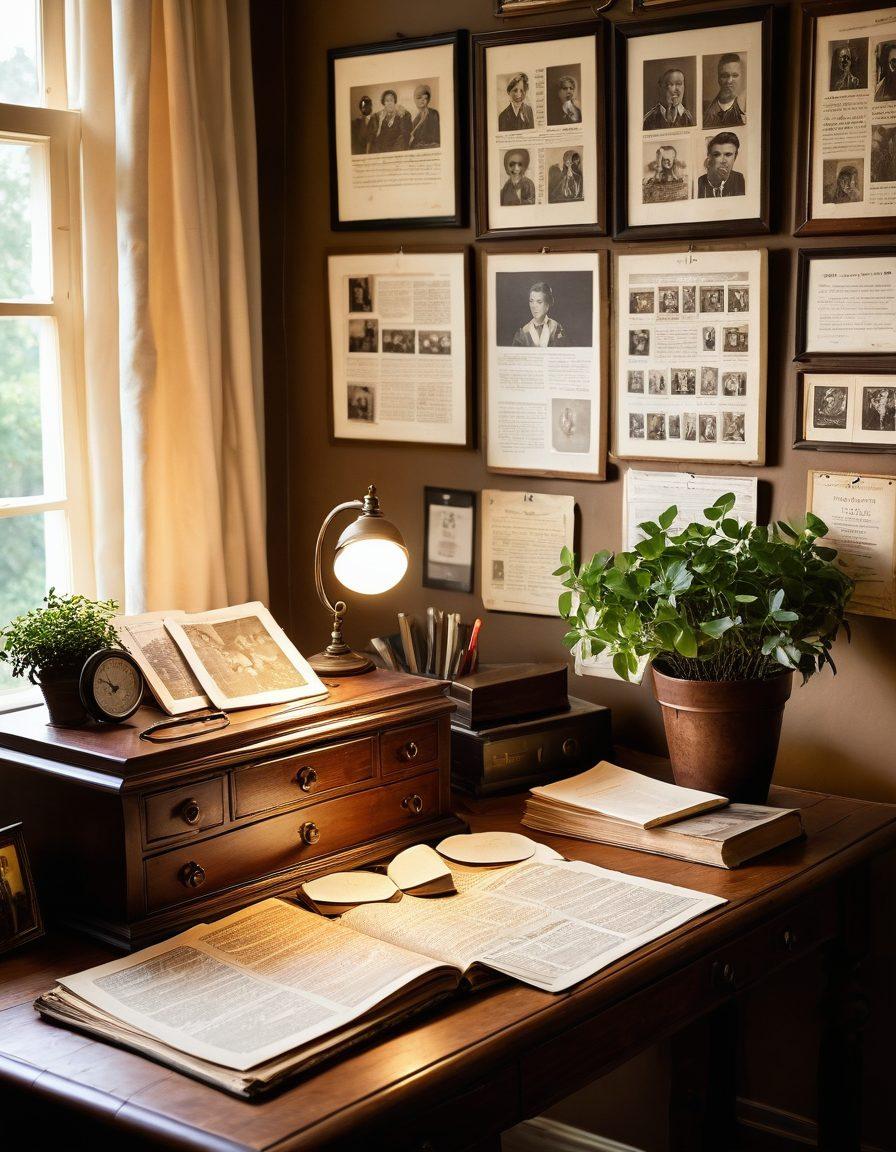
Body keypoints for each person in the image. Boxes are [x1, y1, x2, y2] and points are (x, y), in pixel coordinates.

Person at [512, 281, 567, 347]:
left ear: (547, 305)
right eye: (531, 301)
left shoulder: (556, 328)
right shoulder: (523, 332)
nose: (534, 306)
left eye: (539, 302)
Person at [703, 53, 747, 127]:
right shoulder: (705, 110)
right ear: (718, 78)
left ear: (741, 78)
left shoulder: (747, 107)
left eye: (735, 75)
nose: (729, 81)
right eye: (725, 76)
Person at [697, 131, 745, 198]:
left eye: (728, 155)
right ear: (709, 157)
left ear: (735, 157)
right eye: (717, 155)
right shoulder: (700, 182)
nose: (723, 161)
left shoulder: (739, 178)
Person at [408, 84, 440, 149]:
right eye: (419, 98)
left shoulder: (433, 113)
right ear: (415, 100)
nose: (422, 100)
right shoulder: (415, 119)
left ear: (428, 100)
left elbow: (437, 140)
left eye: (425, 98)